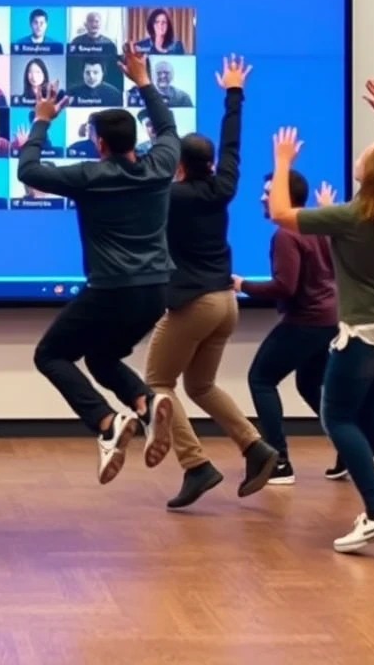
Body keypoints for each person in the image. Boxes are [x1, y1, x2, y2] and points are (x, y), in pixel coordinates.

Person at [17, 44, 176, 484]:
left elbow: (28, 171)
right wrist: (143, 81)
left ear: (99, 143)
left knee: (50, 354)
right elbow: (167, 126)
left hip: (111, 290)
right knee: (102, 358)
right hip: (157, 290)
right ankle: (144, 403)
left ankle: (108, 423)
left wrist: (42, 119)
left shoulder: (90, 175)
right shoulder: (162, 165)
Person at [271, 79, 374, 553]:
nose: (357, 158)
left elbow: (281, 214)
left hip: (365, 335)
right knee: (371, 411)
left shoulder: (352, 216)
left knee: (338, 416)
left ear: (369, 176)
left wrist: (283, 162)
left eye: (364, 157)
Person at [144, 56, 278, 509]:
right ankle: (256, 447)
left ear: (178, 165)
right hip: (227, 301)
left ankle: (195, 465)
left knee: (157, 383)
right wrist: (234, 94)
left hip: (195, 304)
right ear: (210, 164)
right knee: (200, 386)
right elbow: (233, 148)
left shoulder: (169, 197)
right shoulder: (221, 188)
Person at [235, 170, 339, 485]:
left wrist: (243, 285)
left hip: (306, 321)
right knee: (309, 385)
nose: (262, 197)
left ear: (283, 197)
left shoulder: (285, 233)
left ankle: (279, 461)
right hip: (329, 319)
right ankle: (348, 450)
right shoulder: (316, 224)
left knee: (261, 378)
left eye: (268, 192)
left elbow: (285, 287)